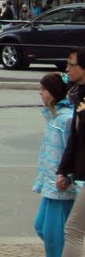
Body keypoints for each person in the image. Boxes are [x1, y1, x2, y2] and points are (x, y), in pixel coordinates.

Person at [33, 72, 76, 257]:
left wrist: (68, 176)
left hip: (62, 187)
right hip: (51, 185)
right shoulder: (52, 117)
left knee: (52, 235)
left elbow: (74, 152)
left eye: (43, 89)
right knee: (41, 226)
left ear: (54, 92)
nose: (40, 93)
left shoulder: (66, 119)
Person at [57, 47, 85, 255]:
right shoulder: (78, 96)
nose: (67, 69)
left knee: (74, 230)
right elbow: (74, 140)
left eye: (71, 64)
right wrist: (64, 170)